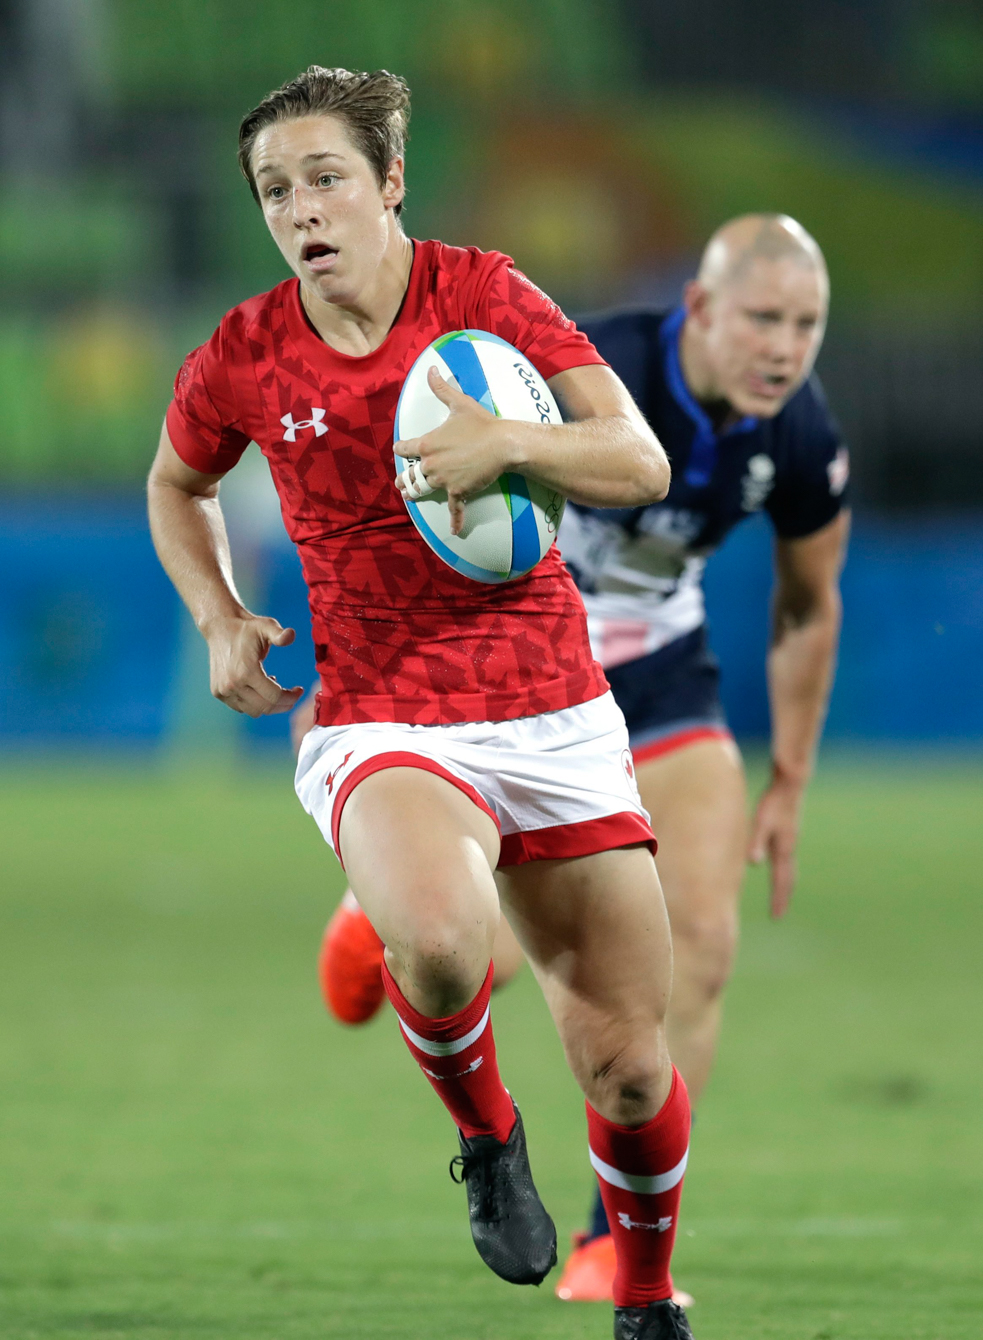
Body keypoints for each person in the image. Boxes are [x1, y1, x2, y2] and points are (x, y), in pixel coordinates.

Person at [147, 65, 695, 1340]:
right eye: (275, 190)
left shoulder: (485, 296)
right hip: (380, 711)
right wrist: (219, 615)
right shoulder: (243, 352)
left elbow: (638, 461)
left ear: (390, 182)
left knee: (624, 1063)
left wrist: (515, 442)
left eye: (326, 178)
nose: (301, 209)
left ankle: (646, 1295)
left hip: (550, 704)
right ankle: (486, 1135)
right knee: (445, 942)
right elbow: (175, 483)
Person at [309, 211, 851, 1305]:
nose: (783, 348)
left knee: (700, 942)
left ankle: (614, 1240)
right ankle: (410, 912)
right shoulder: (582, 366)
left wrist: (788, 779)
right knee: (512, 949)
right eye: (762, 319)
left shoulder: (798, 434)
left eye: (805, 326)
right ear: (699, 308)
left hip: (659, 679)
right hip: (522, 692)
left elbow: (806, 605)